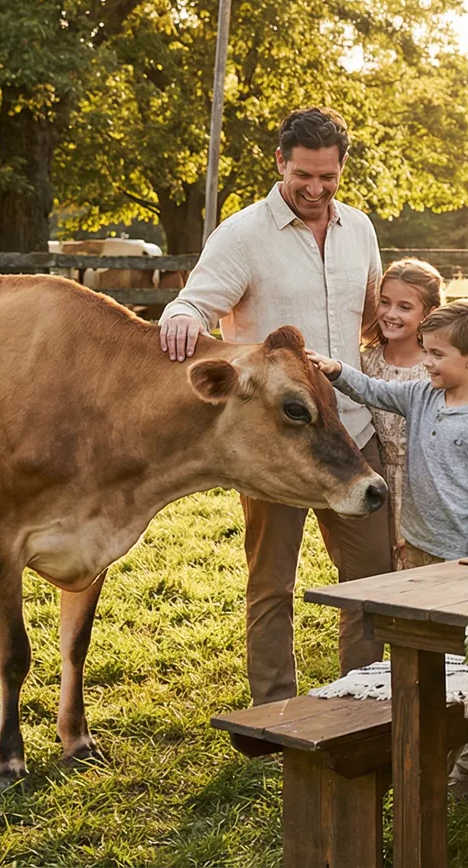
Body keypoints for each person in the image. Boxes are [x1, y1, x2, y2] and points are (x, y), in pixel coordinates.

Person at [156, 106, 389, 703]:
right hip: (278, 442)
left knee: (370, 577)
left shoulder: (359, 229)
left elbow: (371, 317)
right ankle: (276, 708)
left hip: (352, 429)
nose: (315, 189)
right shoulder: (241, 234)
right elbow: (195, 303)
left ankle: (361, 699)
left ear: (342, 171)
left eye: (328, 177)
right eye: (303, 174)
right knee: (271, 582)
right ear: (280, 162)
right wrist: (182, 318)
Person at [307, 300, 468, 566]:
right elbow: (372, 390)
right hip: (414, 542)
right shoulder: (420, 395)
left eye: (437, 354)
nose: (427, 362)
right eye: (426, 351)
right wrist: (337, 371)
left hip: (459, 555)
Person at [360, 259, 442, 565]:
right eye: (385, 303)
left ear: (428, 314)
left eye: (404, 307)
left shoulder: (435, 370)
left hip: (420, 489)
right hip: (376, 481)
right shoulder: (365, 364)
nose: (391, 314)